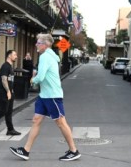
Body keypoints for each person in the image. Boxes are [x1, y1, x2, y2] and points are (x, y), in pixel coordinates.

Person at [10, 33, 81, 161]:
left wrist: (33, 79)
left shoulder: (45, 57)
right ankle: (26, 150)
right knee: (36, 120)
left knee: (61, 122)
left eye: (38, 42)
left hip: (52, 95)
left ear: (44, 44)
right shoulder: (49, 56)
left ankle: (73, 150)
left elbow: (41, 77)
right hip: (44, 95)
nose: (36, 44)